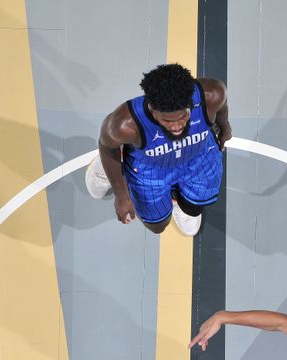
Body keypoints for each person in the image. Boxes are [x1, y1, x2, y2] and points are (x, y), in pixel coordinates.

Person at [85, 63, 231, 236]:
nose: (177, 126)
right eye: (167, 121)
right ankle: (105, 168)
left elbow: (221, 107)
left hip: (196, 159)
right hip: (150, 169)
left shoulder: (212, 94)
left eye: (183, 116)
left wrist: (225, 127)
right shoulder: (122, 125)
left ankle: (176, 200)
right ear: (152, 109)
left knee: (193, 207)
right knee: (158, 226)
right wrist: (121, 195)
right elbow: (108, 147)